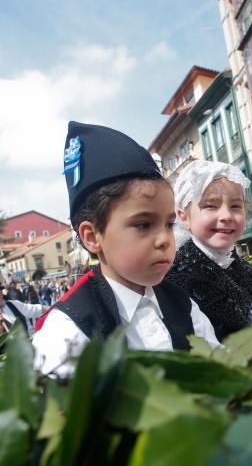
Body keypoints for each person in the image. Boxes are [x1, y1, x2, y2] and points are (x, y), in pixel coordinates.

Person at [33, 121, 220, 377]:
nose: (165, 239)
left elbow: (221, 371)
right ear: (92, 236)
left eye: (168, 224)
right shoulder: (68, 332)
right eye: (143, 224)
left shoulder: (182, 304)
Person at [166, 160, 252, 345]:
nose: (226, 216)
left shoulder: (249, 276)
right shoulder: (173, 275)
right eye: (210, 206)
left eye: (235, 206)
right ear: (184, 217)